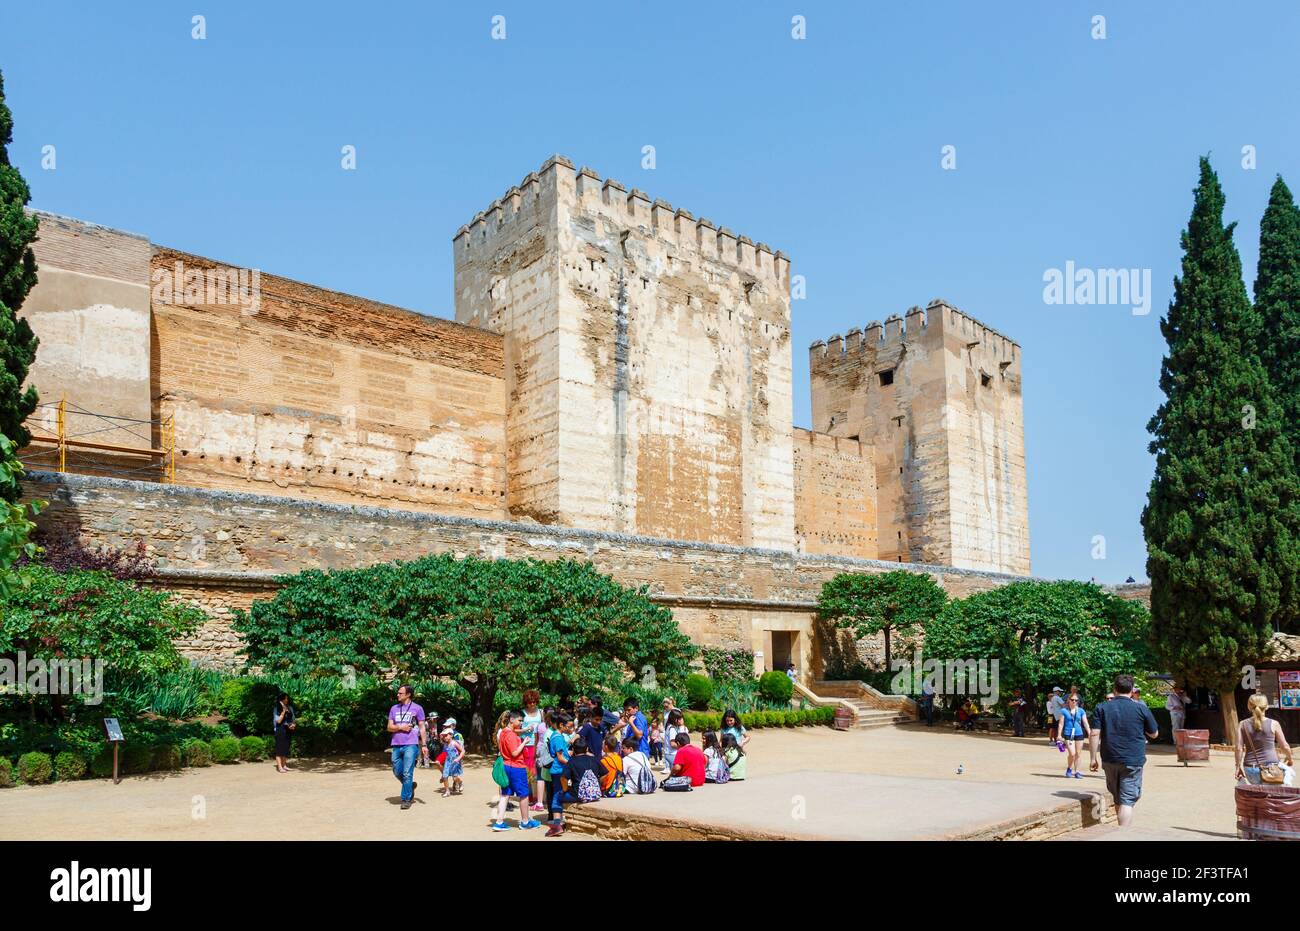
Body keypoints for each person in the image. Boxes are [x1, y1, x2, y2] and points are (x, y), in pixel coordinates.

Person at [1088, 674, 1160, 827]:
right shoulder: (1141, 708)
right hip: (1133, 759)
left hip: (1109, 758)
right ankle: (1123, 833)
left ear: (1114, 689)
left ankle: (1120, 830)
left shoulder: (1102, 707)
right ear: (1132, 690)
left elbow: (1094, 733)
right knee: (1127, 801)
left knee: (1117, 798)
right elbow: (1154, 733)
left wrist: (1093, 758)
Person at [546, 736, 606, 837]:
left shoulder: (572, 762)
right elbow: (605, 774)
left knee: (556, 796)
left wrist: (565, 790)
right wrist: (597, 784)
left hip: (578, 795)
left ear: (573, 750)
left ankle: (557, 825)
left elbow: (563, 778)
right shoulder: (594, 759)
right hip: (595, 794)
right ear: (587, 749)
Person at [492, 711, 540, 832]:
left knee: (505, 794)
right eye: (519, 720)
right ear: (511, 720)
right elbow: (514, 753)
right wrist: (524, 742)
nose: (521, 723)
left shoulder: (503, 732)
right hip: (516, 767)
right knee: (523, 795)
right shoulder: (511, 735)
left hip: (506, 766)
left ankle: (499, 822)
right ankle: (525, 822)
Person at [1235, 693, 1295, 786]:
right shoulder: (1274, 724)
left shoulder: (1242, 724)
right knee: (1271, 797)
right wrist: (1290, 759)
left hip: (1250, 769)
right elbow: (1285, 746)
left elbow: (1239, 748)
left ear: (1249, 706)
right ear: (1267, 706)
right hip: (1271, 769)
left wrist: (1237, 767)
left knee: (1259, 796)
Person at [386, 684, 428, 811]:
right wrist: (400, 727)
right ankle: (410, 786)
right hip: (396, 744)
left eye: (400, 693)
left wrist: (424, 744)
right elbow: (389, 727)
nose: (398, 695)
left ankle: (406, 799)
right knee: (396, 770)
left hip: (411, 744)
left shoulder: (417, 708)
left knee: (407, 772)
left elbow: (422, 727)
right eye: (398, 693)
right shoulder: (394, 708)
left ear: (408, 694)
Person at [521, 689, 546, 814]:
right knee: (527, 771)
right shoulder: (522, 713)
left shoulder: (540, 712)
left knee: (536, 771)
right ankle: (530, 795)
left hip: (538, 744)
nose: (532, 704)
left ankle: (537, 796)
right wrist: (525, 729)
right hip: (525, 744)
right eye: (530, 702)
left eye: (534, 702)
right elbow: (517, 727)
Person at [545, 712, 575, 814]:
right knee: (558, 794)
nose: (571, 729)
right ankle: (557, 819)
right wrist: (572, 765)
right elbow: (560, 757)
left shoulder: (558, 735)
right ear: (561, 725)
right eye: (569, 727)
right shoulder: (558, 738)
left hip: (559, 769)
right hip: (559, 770)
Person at [1058, 693, 1090, 779]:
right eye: (1072, 700)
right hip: (1068, 734)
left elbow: (1085, 723)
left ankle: (1077, 771)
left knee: (1078, 754)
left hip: (1079, 734)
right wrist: (1059, 735)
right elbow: (1061, 724)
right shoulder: (1064, 711)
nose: (1074, 702)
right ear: (1069, 700)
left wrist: (1089, 733)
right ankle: (1069, 769)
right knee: (1072, 754)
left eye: (1076, 700)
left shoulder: (1081, 711)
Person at [272, 692, 296, 773]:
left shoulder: (290, 707)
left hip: (288, 730)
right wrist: (283, 712)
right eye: (285, 698)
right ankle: (280, 767)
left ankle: (284, 765)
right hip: (280, 730)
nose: (287, 699)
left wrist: (293, 725)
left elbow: (293, 719)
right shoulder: (277, 709)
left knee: (286, 748)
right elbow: (278, 721)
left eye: (287, 698)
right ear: (281, 699)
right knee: (280, 749)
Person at [438, 727, 464, 796]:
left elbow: (462, 751)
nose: (445, 737)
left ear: (451, 735)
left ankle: (460, 782)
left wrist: (458, 758)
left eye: (446, 735)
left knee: (455, 778)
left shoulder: (454, 743)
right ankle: (447, 791)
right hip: (447, 762)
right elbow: (444, 753)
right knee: (445, 776)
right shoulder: (445, 744)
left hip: (455, 762)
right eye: (444, 736)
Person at [662, 709, 687, 775]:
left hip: (671, 753)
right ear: (674, 719)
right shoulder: (672, 729)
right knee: (676, 774)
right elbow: (672, 744)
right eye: (679, 718)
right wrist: (683, 746)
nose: (680, 720)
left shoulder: (670, 727)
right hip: (672, 753)